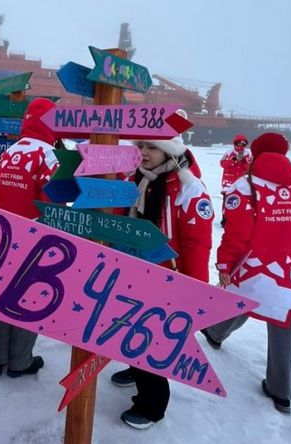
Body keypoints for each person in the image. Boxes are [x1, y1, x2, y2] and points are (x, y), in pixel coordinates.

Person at [201, 132, 291, 414]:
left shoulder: (245, 186)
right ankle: (280, 390)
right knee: (282, 317)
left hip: (255, 265)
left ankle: (215, 332)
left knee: (243, 298)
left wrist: (224, 263)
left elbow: (237, 233)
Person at [109, 134, 214, 429]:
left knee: (151, 339)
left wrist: (196, 292)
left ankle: (152, 406)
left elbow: (196, 245)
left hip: (167, 280)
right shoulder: (135, 179)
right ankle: (135, 368)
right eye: (140, 146)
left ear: (170, 151)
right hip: (133, 272)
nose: (143, 152)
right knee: (130, 329)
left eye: (152, 147)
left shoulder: (189, 188)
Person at [0, 97, 60, 378]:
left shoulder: (11, 152)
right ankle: (20, 361)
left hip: (4, 235)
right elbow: (51, 203)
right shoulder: (47, 155)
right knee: (28, 297)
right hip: (33, 237)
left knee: (3, 293)